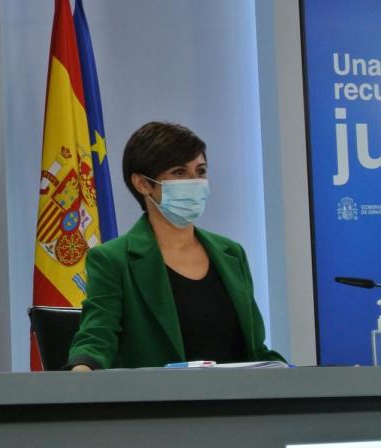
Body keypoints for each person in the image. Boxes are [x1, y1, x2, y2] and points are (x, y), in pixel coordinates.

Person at [66, 122, 284, 370]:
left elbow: (255, 349)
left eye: (200, 171)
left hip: (235, 403)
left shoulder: (231, 253)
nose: (195, 182)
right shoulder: (113, 260)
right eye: (179, 173)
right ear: (143, 184)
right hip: (158, 404)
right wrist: (81, 371)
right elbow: (97, 336)